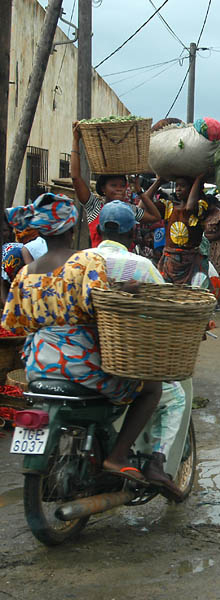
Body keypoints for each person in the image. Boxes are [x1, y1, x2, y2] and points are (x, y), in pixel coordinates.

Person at [1, 194, 162, 484]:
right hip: (81, 365)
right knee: (151, 387)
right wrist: (127, 290)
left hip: (36, 366)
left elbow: (14, 322)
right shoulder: (86, 261)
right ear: (73, 229)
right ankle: (117, 456)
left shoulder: (24, 273)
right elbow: (97, 305)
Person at [92, 201, 186, 500]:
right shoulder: (141, 266)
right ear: (133, 231)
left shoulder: (79, 261)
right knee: (174, 397)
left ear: (98, 228)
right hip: (126, 359)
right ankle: (156, 462)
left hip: (84, 357)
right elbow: (166, 306)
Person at [70, 122, 161, 247]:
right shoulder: (94, 207)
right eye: (114, 185)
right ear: (103, 188)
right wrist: (76, 140)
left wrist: (140, 191)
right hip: (100, 263)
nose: (119, 189)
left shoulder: (129, 210)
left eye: (122, 186)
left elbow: (155, 217)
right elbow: (75, 178)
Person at [144, 175, 208, 285]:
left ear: (193, 188)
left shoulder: (200, 207)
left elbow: (189, 208)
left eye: (183, 186)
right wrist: (159, 181)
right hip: (170, 262)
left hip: (191, 262)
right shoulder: (169, 207)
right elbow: (142, 206)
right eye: (177, 185)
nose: (178, 189)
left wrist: (198, 179)